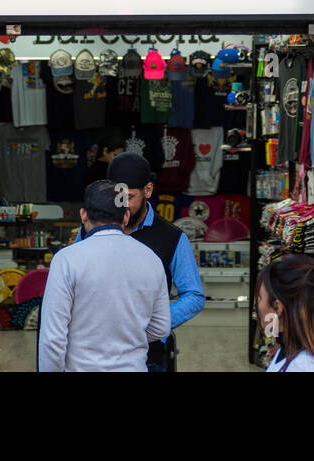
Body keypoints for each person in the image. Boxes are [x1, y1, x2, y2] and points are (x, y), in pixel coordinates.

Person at [75, 152, 205, 371]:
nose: (122, 206)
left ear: (148, 190)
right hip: (95, 351)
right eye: (116, 196)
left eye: (129, 197)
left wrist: (153, 326)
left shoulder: (172, 238)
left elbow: (194, 295)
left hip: (150, 355)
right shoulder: (91, 228)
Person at [38, 181, 170, 371]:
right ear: (126, 216)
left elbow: (52, 339)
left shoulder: (67, 260)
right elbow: (161, 327)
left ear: (83, 215)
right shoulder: (151, 259)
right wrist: (126, 335)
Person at [256, 254, 314, 372]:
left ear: (277, 308)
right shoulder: (287, 352)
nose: (257, 305)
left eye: (260, 298)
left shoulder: (302, 366)